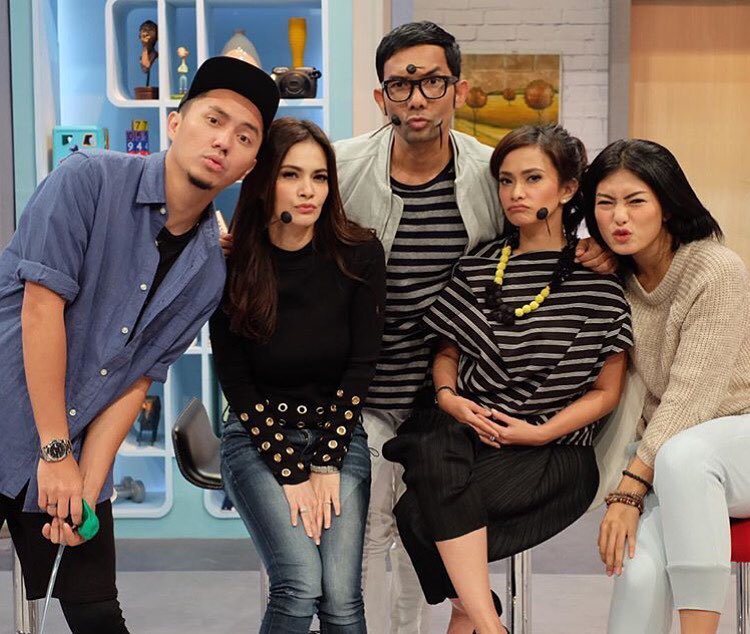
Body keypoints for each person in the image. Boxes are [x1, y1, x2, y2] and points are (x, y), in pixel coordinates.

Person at [332, 21, 616, 634]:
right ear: (381, 97)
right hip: (368, 389)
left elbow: (538, 235)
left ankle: (456, 618)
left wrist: (594, 246)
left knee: (423, 526)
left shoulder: (490, 172)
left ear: (458, 90)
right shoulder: (341, 168)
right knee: (370, 534)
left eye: (432, 82)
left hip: (455, 400)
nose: (417, 98)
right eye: (401, 85)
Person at [0, 55, 279, 633]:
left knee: (97, 613)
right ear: (176, 123)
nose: (223, 141)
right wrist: (55, 451)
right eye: (213, 119)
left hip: (72, 444)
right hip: (15, 414)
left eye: (244, 136)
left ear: (249, 166)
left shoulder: (208, 274)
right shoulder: (88, 180)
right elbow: (41, 310)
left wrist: (85, 486)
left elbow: (137, 380)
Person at [383, 124, 633, 634]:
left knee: (418, 515)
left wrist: (540, 432)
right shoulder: (477, 267)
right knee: (433, 443)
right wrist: (449, 397)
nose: (516, 193)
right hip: (468, 436)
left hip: (552, 451)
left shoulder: (601, 282)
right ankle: (488, 622)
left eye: (533, 178)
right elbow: (447, 350)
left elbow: (608, 391)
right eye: (506, 180)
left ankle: (472, 614)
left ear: (567, 189)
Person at [209, 117, 386, 634]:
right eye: (292, 175)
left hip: (338, 436)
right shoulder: (233, 262)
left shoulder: (359, 254)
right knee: (300, 584)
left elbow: (361, 366)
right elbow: (236, 381)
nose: (309, 190)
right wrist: (289, 470)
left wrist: (326, 460)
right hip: (256, 438)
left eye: (320, 176)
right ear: (265, 182)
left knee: (341, 599)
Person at [583, 139, 750, 634]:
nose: (619, 217)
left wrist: (629, 489)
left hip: (735, 437)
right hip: (670, 459)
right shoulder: (616, 279)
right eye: (605, 203)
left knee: (684, 454)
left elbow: (690, 399)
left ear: (668, 206)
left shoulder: (715, 269)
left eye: (636, 201)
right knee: (637, 572)